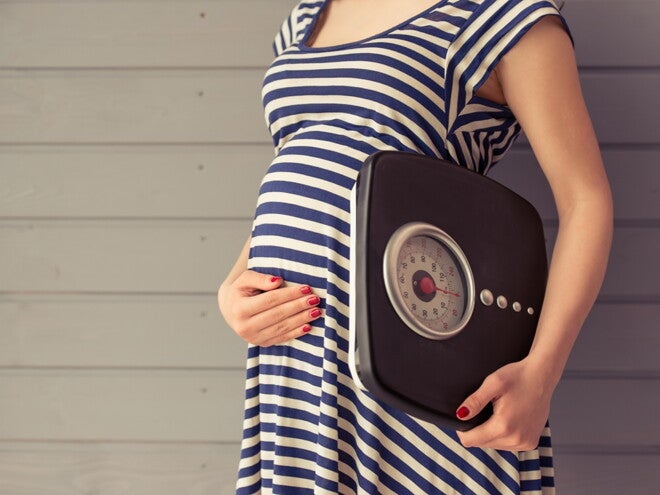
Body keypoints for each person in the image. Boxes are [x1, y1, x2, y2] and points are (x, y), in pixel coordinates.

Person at [218, 0, 613, 493]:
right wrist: (233, 288)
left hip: (417, 336)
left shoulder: (501, 13)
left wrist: (542, 374)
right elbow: (301, 160)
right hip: (299, 349)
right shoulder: (306, 16)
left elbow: (586, 201)